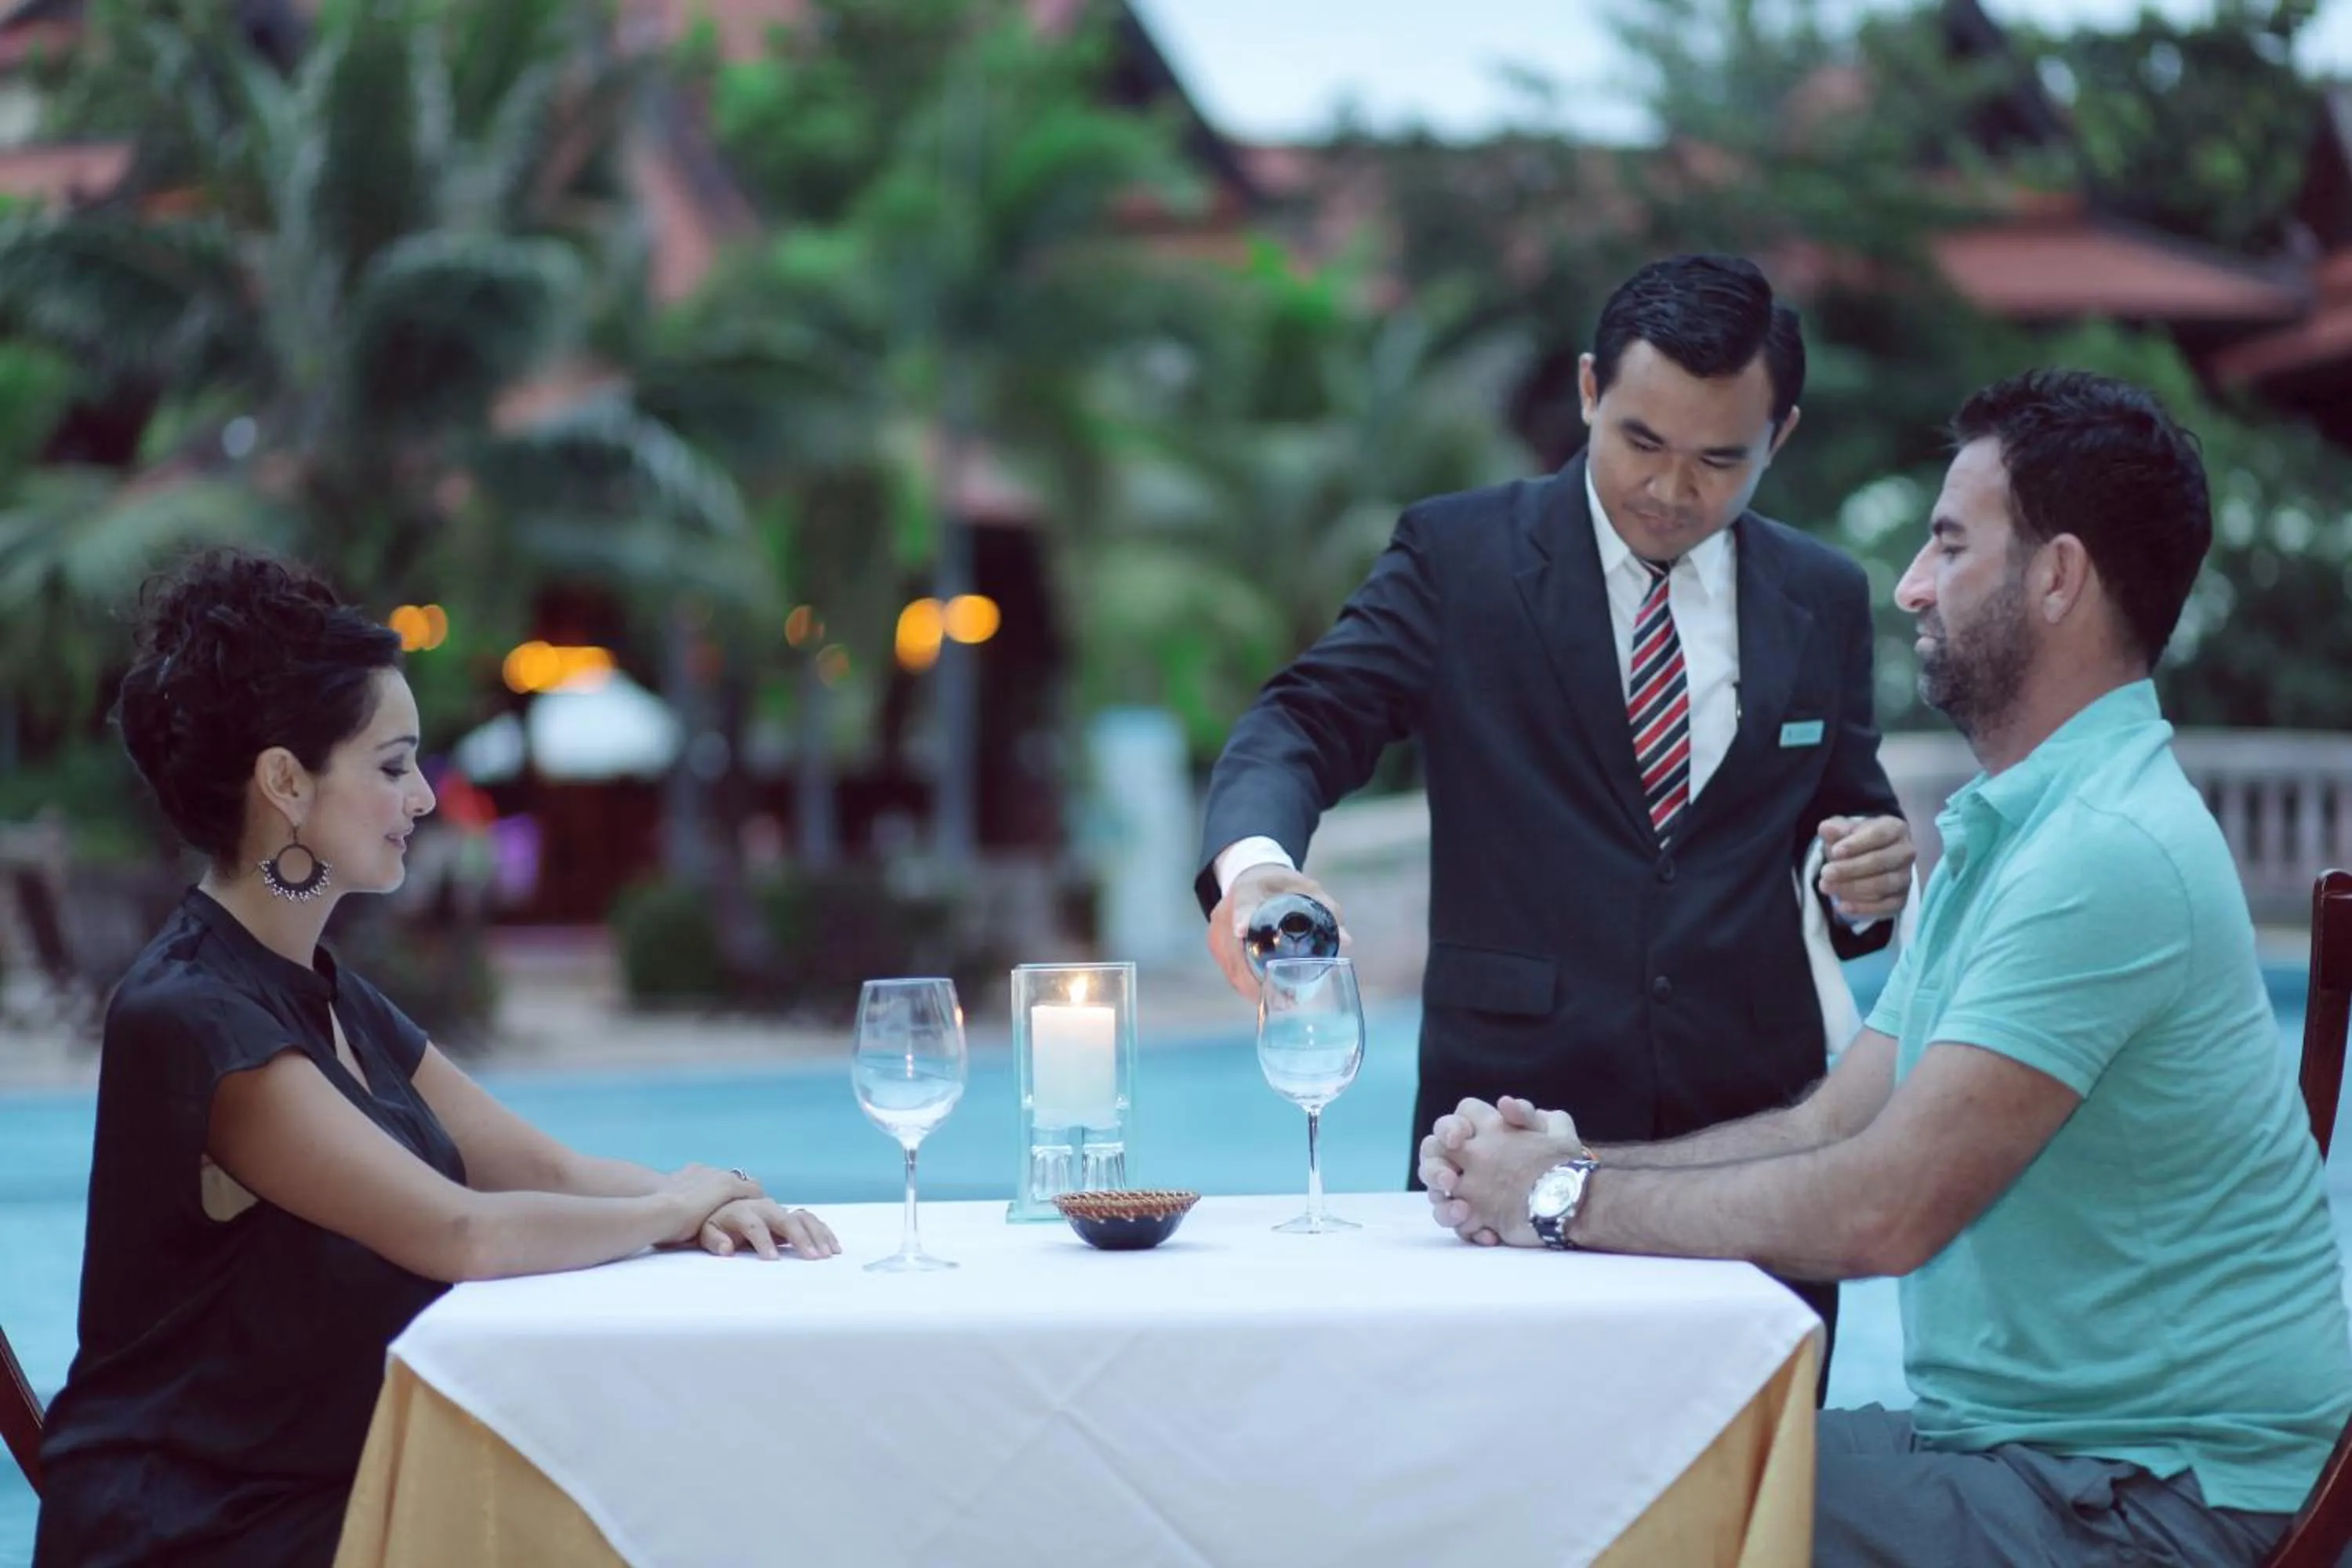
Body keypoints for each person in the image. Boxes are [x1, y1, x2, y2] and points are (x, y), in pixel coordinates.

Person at [1419, 369, 2352, 1566]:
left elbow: (1883, 1209)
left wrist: (1558, 1204)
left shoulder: (2107, 855)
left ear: (2057, 577)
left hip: (2153, 1492)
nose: (1910, 584)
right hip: (2025, 1451)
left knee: (1632, 1521)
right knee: (1615, 1452)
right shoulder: (2016, 833)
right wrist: (1567, 1160)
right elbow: (1834, 1125)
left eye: (1951, 545)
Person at [33, 550, 840, 1568]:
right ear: (285, 781)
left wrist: (719, 1205)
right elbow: (463, 1234)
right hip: (199, 1529)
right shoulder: (193, 1017)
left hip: (340, 1489)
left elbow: (541, 1170)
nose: (424, 796)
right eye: (392, 764)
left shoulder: (327, 993)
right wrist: (667, 1210)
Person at [1194, 252, 1916, 1368]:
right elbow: (1303, 718)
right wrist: (1255, 866)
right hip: (1502, 1148)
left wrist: (1872, 877)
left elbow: (1848, 835)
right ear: (1588, 391)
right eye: (1642, 441)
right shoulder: (1459, 557)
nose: (1674, 490)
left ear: (1784, 434)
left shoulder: (1821, 595)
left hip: (1753, 1167)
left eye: (1722, 459)